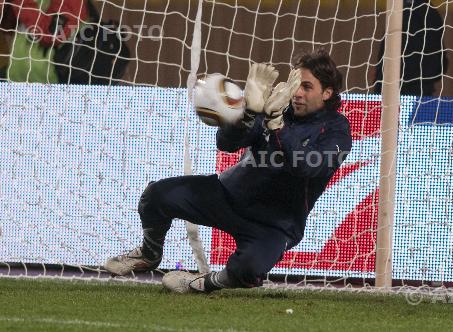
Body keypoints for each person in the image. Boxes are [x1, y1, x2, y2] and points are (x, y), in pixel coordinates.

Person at [104, 49, 352, 293]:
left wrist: (276, 125)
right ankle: (149, 253)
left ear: (327, 92)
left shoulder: (337, 130)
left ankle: (201, 283)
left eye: (307, 87)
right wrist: (249, 112)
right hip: (227, 196)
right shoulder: (277, 107)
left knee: (248, 269)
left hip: (274, 223)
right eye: (295, 83)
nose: (297, 93)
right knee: (156, 196)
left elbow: (307, 166)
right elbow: (226, 143)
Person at [371, 0, 448, 96]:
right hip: (419, 89)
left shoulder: (405, 12)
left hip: (401, 90)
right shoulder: (430, 11)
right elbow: (441, 64)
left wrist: (381, 72)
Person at [6, 0, 88, 83]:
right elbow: (9, 27)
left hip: (49, 83)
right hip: (18, 76)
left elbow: (52, 36)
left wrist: (21, 3)